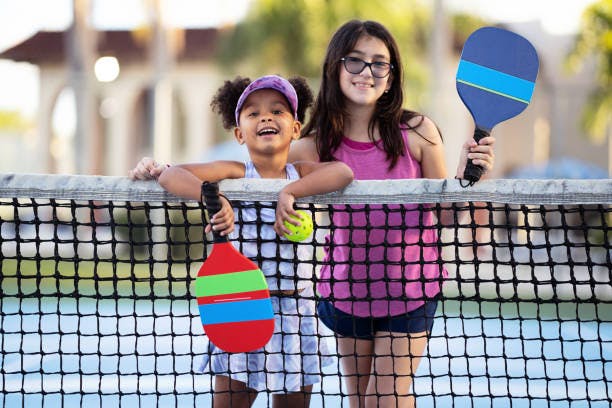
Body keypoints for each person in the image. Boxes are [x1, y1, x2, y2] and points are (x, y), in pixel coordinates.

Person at [286, 20, 496, 408]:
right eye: (356, 61)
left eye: (379, 64)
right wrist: (159, 170)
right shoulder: (309, 148)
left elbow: (445, 216)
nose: (367, 72)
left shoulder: (418, 132)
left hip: (411, 292)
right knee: (362, 402)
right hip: (347, 293)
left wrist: (469, 176)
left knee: (383, 400)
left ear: (390, 76)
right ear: (335, 66)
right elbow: (248, 175)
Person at [129, 74, 354, 408]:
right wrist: (214, 200)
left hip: (297, 313)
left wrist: (288, 192)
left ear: (294, 128)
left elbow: (344, 173)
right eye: (253, 113)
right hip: (241, 307)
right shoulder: (235, 172)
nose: (265, 117)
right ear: (239, 133)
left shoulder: (301, 173)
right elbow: (172, 173)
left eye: (277, 111)